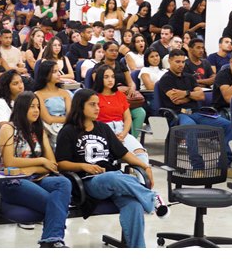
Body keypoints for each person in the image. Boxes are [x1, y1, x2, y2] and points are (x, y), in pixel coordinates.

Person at [55, 89, 167, 248]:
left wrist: (145, 165)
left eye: (98, 104)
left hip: (114, 181)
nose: (97, 108)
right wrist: (83, 166)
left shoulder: (103, 128)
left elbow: (123, 153)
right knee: (112, 177)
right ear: (80, 106)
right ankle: (152, 197)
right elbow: (61, 163)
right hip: (88, 182)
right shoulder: (68, 131)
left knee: (134, 205)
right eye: (92, 104)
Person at [0, 92, 71, 248]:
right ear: (22, 108)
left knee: (63, 182)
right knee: (55, 204)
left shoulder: (39, 130)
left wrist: (32, 168)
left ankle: (50, 241)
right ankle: (52, 241)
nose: (36, 110)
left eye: (38, 107)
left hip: (37, 178)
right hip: (13, 180)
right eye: (32, 107)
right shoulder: (8, 128)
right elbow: (10, 162)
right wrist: (41, 161)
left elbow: (53, 164)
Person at [157, 49, 232, 169]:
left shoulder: (190, 77)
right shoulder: (166, 79)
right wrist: (192, 96)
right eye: (177, 62)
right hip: (178, 114)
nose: (181, 65)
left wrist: (185, 93)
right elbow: (176, 99)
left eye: (183, 62)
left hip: (196, 113)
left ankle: (223, 164)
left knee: (229, 125)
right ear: (170, 61)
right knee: (191, 127)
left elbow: (201, 96)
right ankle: (198, 166)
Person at [92, 65, 149, 163]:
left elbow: (128, 118)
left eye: (112, 77)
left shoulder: (120, 95)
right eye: (106, 77)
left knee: (141, 154)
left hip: (121, 131)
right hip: (102, 133)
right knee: (109, 159)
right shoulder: (94, 97)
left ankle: (138, 174)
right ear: (100, 79)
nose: (110, 80)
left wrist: (123, 134)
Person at [30, 60, 72, 151]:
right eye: (54, 72)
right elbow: (48, 119)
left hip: (66, 127)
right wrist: (66, 119)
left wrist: (65, 120)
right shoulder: (38, 94)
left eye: (58, 71)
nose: (59, 74)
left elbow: (70, 116)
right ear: (45, 74)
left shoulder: (65, 93)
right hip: (48, 129)